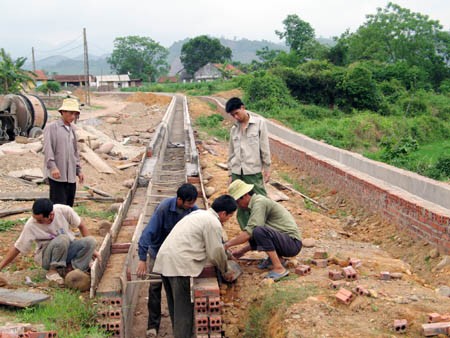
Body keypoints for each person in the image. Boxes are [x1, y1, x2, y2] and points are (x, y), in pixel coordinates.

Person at [153, 195, 237, 338]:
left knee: (175, 308)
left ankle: (179, 334)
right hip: (179, 266)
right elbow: (215, 252)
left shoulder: (199, 214)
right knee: (184, 312)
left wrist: (226, 253)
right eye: (229, 216)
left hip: (165, 261)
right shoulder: (212, 222)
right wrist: (226, 270)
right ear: (223, 213)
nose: (228, 220)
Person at [136, 183, 199, 338]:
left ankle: (178, 328)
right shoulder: (164, 209)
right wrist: (142, 259)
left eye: (193, 203)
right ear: (179, 200)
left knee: (178, 291)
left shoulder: (193, 211)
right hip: (158, 253)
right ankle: (152, 326)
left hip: (178, 257)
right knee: (155, 288)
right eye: (189, 203)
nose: (191, 206)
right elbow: (147, 233)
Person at [0, 198, 99, 286]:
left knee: (90, 241)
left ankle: (72, 270)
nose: (36, 221)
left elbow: (81, 225)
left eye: (39, 220)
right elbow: (18, 247)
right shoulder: (31, 225)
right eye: (35, 218)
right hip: (47, 256)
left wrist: (92, 250)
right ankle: (53, 271)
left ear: (51, 215)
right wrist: (1, 267)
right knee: (63, 239)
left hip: (66, 247)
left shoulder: (64, 210)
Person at [224, 179, 302, 281]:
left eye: (238, 202)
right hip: (285, 241)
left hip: (292, 244)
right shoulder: (255, 204)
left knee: (257, 231)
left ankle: (279, 268)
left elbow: (250, 233)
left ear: (245, 195)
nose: (238, 206)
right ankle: (278, 259)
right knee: (255, 231)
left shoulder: (259, 203)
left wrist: (226, 245)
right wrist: (241, 251)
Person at [225, 97, 271, 228]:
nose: (236, 117)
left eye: (237, 113)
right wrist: (230, 174)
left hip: (253, 171)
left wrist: (267, 168)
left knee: (260, 199)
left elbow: (264, 147)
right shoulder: (234, 129)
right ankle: (246, 230)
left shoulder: (259, 124)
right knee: (240, 202)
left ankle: (265, 228)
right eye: (233, 115)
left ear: (243, 107)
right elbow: (231, 152)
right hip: (237, 172)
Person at [43, 98, 83, 207]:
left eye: (75, 114)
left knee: (68, 206)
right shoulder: (51, 128)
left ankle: (66, 224)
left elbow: (75, 152)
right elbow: (47, 149)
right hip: (57, 175)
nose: (73, 116)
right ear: (63, 112)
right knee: (58, 206)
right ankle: (58, 224)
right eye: (71, 113)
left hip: (70, 176)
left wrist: (78, 170)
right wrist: (53, 167)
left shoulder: (72, 130)